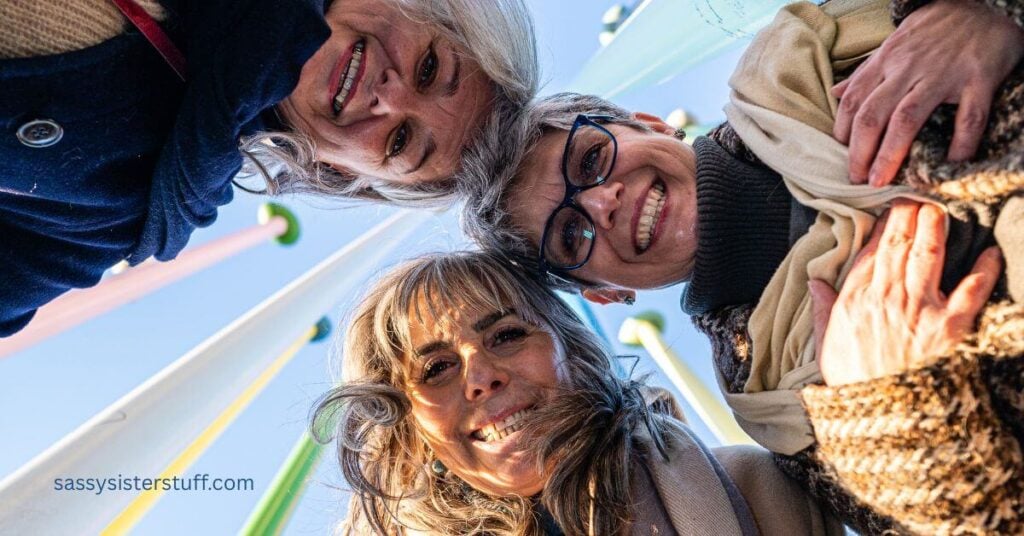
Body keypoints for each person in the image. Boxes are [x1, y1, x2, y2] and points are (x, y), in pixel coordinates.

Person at [457, 0, 1024, 532]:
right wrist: (900, 407)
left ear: (651, 124)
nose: (602, 203)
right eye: (570, 234)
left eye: (591, 160)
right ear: (604, 293)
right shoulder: (783, 404)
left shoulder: (820, 52)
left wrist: (987, 12)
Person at [0, 0, 538, 336]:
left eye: (400, 141)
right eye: (429, 67)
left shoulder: (121, 207)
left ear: (339, 172)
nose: (389, 99)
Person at [313, 250, 846, 535]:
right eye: (436, 369)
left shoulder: (760, 489)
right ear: (409, 429)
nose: (480, 376)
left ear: (575, 350)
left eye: (507, 335)